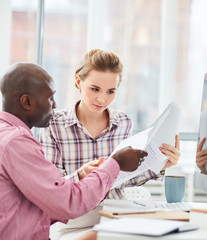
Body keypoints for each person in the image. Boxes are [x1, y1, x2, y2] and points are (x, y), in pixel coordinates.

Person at [39, 49, 181, 233]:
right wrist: (81, 175)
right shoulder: (54, 124)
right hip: (73, 224)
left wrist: (162, 164)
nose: (102, 99)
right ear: (78, 82)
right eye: (95, 89)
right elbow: (51, 187)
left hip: (116, 218)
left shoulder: (124, 122)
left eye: (111, 91)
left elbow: (126, 177)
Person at [0, 62, 147, 239]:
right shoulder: (17, 142)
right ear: (27, 102)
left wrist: (80, 175)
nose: (54, 106)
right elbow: (67, 202)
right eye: (50, 99)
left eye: (110, 91)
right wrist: (115, 162)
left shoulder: (6, 133)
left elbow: (39, 200)